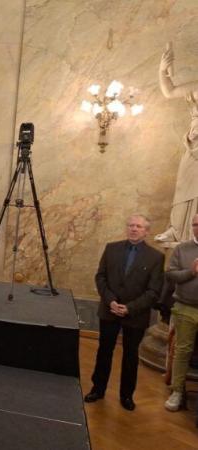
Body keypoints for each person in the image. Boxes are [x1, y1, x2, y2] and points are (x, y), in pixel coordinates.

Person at [83, 214, 164, 411]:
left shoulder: (156, 257)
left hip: (135, 315)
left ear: (147, 231)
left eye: (138, 226)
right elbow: (100, 277)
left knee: (130, 355)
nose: (133, 229)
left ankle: (126, 396)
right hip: (109, 311)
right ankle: (98, 389)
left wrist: (130, 308)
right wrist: (111, 301)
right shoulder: (111, 249)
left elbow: (154, 291)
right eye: (130, 225)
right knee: (104, 351)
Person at [155, 42, 198, 243]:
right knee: (185, 182)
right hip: (195, 143)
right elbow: (169, 92)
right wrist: (163, 70)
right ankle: (178, 229)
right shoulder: (197, 87)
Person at [164, 213, 198, 412]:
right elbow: (170, 274)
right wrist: (191, 273)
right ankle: (177, 391)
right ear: (193, 227)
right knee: (183, 351)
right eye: (197, 224)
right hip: (186, 307)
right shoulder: (182, 249)